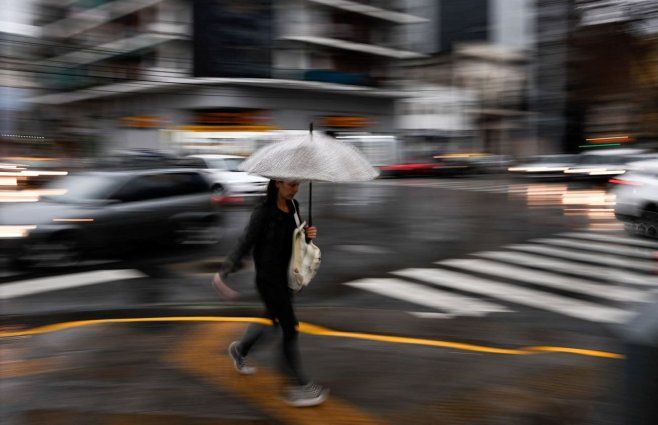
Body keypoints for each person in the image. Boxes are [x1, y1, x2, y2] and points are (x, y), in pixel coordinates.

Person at [212, 179, 329, 407]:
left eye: (297, 185)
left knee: (272, 320)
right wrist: (225, 270)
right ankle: (299, 385)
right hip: (268, 279)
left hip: (287, 277)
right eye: (291, 184)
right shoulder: (263, 212)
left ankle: (240, 349)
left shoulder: (294, 207)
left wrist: (308, 235)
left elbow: (295, 240)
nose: (295, 189)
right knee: (289, 328)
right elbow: (245, 243)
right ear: (277, 183)